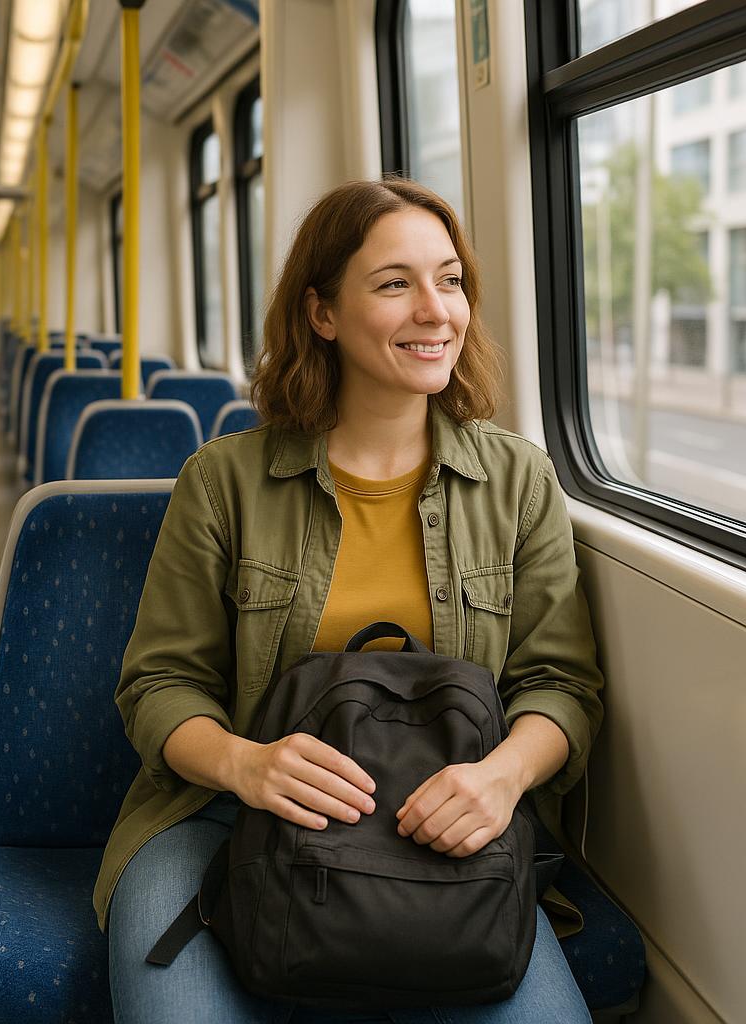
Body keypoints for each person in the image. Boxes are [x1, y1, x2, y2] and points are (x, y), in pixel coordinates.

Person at [94, 177, 604, 1024]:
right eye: (395, 284)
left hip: (445, 825)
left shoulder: (518, 481)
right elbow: (159, 687)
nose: (437, 310)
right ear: (322, 313)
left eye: (450, 280)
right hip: (227, 814)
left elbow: (562, 683)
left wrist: (499, 780)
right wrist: (246, 765)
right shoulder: (223, 483)